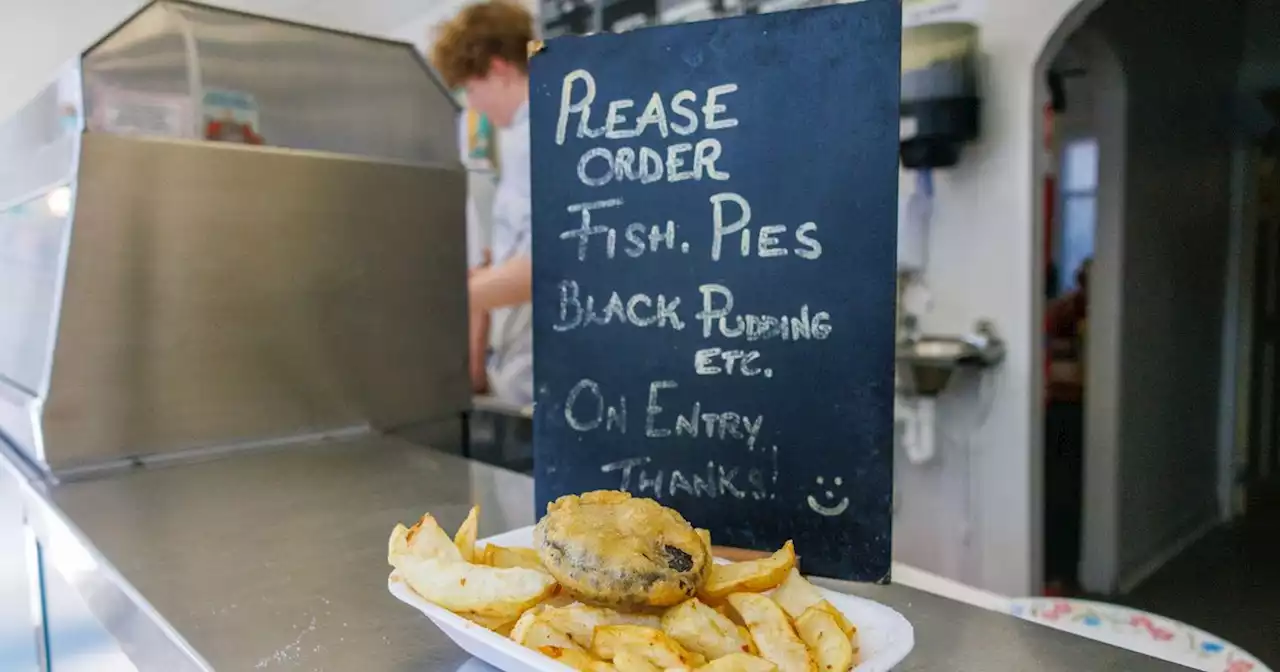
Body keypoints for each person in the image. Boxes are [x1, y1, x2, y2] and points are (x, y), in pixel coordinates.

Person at [433, 1, 535, 407]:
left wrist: (449, 297)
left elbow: (549, 265)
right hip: (518, 370)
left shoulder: (537, 137)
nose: (473, 105)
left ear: (499, 70)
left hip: (541, 374)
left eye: (471, 89)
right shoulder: (517, 141)